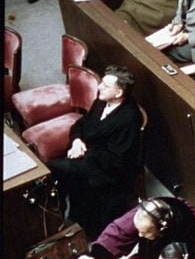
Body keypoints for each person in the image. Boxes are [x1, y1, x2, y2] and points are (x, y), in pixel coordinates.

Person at [46, 66, 143, 239]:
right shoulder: (102, 101)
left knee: (53, 169)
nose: (99, 87)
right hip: (87, 156)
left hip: (107, 170)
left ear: (119, 92)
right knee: (57, 170)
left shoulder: (129, 118)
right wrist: (77, 141)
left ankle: (61, 217)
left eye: (105, 85)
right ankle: (60, 215)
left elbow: (116, 158)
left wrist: (84, 152)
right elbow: (81, 125)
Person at [67, 196, 195, 259]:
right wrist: (94, 257)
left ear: (161, 230)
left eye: (145, 234)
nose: (139, 236)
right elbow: (121, 230)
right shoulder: (149, 211)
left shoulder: (183, 233)